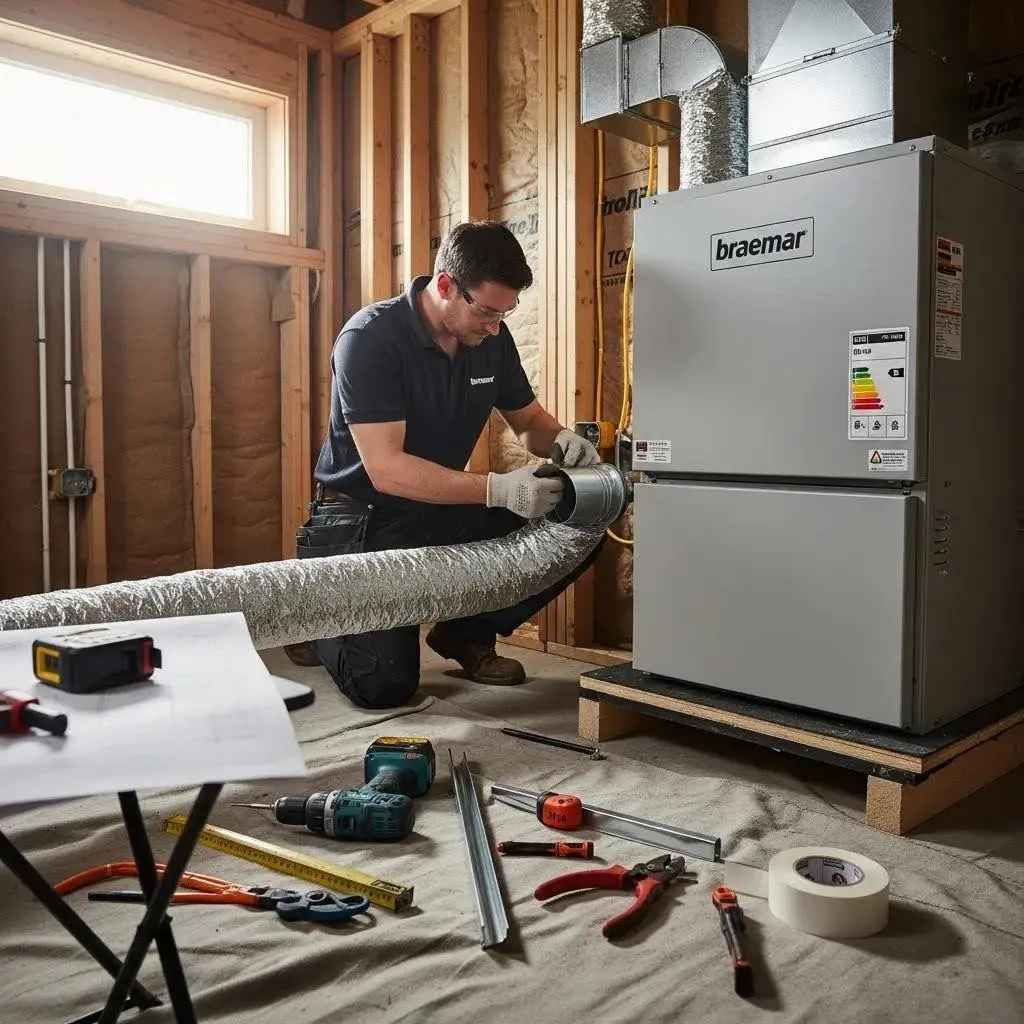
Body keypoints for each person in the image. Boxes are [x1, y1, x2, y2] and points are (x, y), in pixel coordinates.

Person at [286, 220, 602, 709]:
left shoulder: (490, 337)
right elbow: (386, 470)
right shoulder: (371, 339)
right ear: (446, 285)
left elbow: (528, 421)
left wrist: (561, 440)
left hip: (439, 506)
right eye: (487, 311)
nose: (496, 326)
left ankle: (465, 634)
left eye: (506, 313)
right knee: (384, 688)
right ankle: (316, 613)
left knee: (577, 520)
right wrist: (497, 490)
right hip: (363, 516)